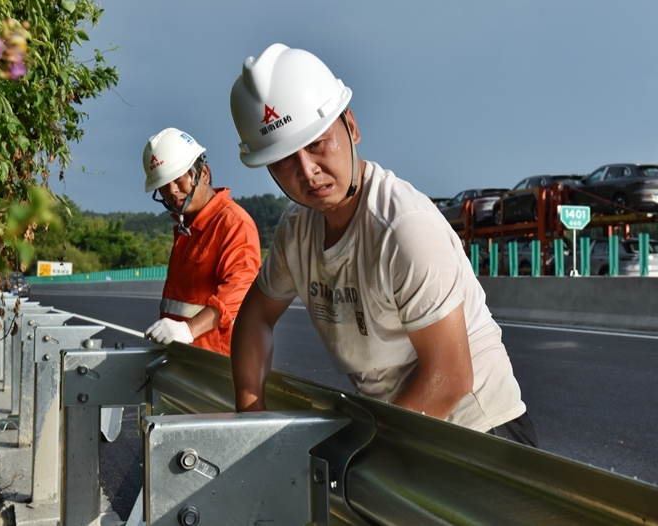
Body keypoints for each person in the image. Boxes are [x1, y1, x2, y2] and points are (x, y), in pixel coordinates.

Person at [228, 43, 538, 446]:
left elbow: (449, 376)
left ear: (351, 127)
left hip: (477, 433)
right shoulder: (297, 229)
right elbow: (255, 317)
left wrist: (367, 451)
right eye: (284, 160)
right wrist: (248, 414)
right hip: (398, 424)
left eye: (318, 143)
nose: (308, 171)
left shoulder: (403, 230)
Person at [141, 127, 261, 356]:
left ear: (203, 173)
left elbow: (239, 291)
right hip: (180, 358)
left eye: (177, 179)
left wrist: (188, 329)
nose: (172, 191)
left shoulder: (233, 224)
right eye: (163, 186)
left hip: (214, 364)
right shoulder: (187, 228)